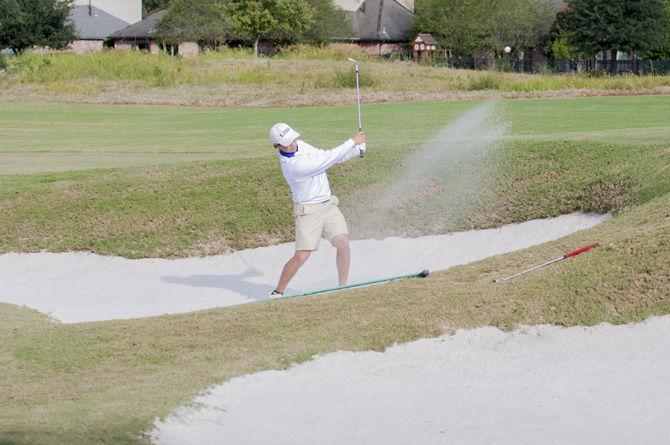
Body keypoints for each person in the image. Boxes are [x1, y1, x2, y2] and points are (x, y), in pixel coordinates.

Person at [268, 123, 366, 297]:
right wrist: (352, 142)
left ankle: (342, 288)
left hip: (328, 205)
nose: (292, 144)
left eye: (293, 139)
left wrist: (354, 151)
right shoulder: (293, 166)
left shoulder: (302, 145)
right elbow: (326, 160)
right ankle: (278, 292)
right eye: (286, 142)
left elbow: (327, 156)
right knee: (302, 256)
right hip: (308, 211)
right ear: (277, 145)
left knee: (343, 242)